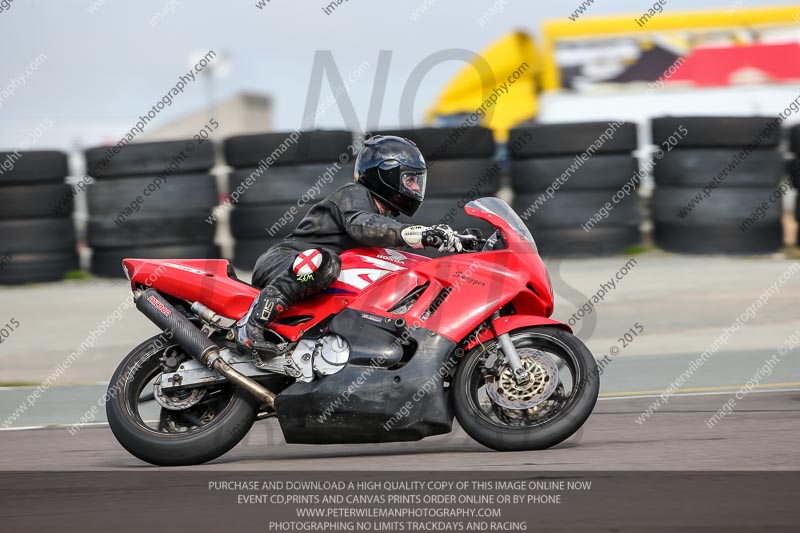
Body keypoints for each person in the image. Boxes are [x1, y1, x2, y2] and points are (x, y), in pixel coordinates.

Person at [234, 135, 465, 351]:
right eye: (410, 179)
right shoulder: (354, 195)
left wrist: (460, 246)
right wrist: (422, 234)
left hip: (315, 279)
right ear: (387, 174)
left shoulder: (383, 220)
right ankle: (250, 323)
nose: (415, 188)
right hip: (286, 262)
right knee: (325, 262)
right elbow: (363, 225)